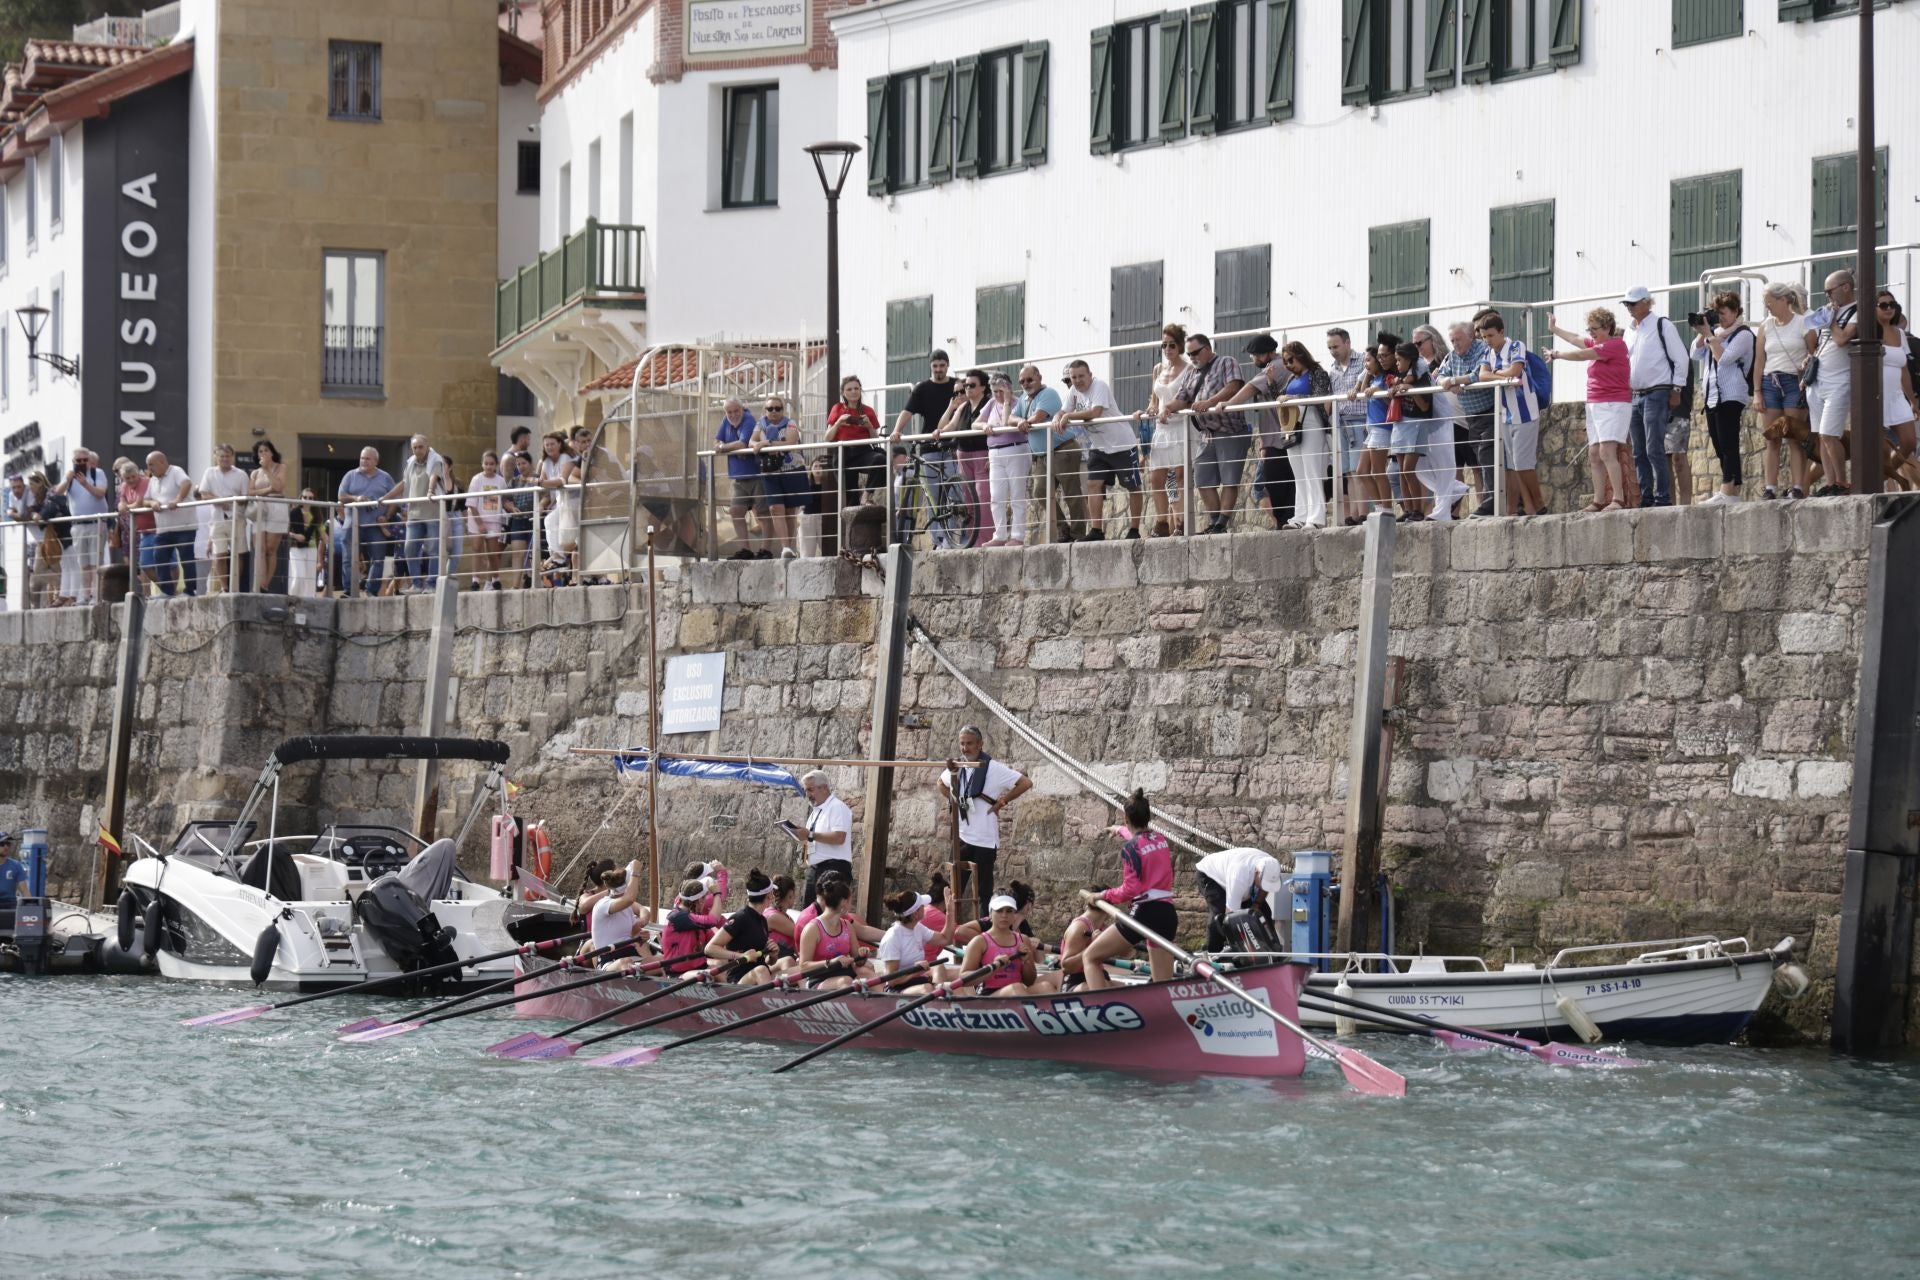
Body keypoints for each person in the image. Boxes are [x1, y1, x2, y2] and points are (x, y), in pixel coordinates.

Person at [1077, 789, 1177, 990]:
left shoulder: (1130, 849)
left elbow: (1130, 890)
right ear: (1149, 817)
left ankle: (1102, 1010)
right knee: (1162, 984)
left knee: (1090, 956)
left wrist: (1102, 895)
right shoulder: (1161, 839)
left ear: (1126, 817)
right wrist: (1119, 830)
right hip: (1167, 914)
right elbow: (1140, 839)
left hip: (1145, 913)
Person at [936, 726, 1030, 917]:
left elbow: (1025, 783)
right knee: (954, 889)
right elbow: (941, 783)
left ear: (980, 744)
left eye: (969, 743)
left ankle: (982, 932)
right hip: (962, 836)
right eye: (962, 743)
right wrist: (953, 800)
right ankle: (950, 929)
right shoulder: (958, 767)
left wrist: (1002, 802)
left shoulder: (993, 768)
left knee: (983, 892)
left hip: (985, 840)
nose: (965, 748)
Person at [1547, 308, 1633, 512]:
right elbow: (1576, 339)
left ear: (1607, 327)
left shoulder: (1615, 345)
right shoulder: (1598, 343)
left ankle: (1618, 499)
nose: (1591, 333)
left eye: (1595, 329)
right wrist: (1554, 329)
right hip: (1595, 403)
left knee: (1607, 451)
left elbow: (1582, 354)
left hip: (1614, 404)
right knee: (1594, 453)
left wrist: (1558, 355)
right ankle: (1599, 500)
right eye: (1590, 329)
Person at [1168, 333, 1248, 534]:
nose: (1192, 357)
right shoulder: (1190, 372)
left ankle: (1221, 523)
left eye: (1195, 352)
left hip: (1230, 430)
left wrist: (1209, 402)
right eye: (1189, 354)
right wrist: (1164, 408)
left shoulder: (1226, 362)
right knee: (1203, 481)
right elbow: (1181, 398)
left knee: (1230, 479)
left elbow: (1234, 387)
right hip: (1206, 433)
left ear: (1207, 348)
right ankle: (1215, 522)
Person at [1468, 312, 1545, 516]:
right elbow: (1483, 375)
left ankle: (1538, 504)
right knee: (1511, 465)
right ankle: (1524, 507)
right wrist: (1501, 373)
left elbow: (1515, 371)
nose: (1487, 340)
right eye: (1484, 337)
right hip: (1506, 414)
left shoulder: (1516, 346)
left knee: (1522, 463)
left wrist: (1498, 374)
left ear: (1501, 332)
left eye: (1491, 336)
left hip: (1525, 412)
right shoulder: (1488, 353)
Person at [1057, 360, 1138, 541]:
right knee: (1093, 485)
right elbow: (1062, 411)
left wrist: (1069, 415)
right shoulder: (1073, 391)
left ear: (1090, 375)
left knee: (1132, 486)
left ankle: (1134, 529)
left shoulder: (1100, 385)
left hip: (1121, 444)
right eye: (1073, 377)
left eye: (1081, 376)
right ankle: (1096, 530)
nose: (1077, 381)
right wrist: (1057, 417)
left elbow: (1095, 412)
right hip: (1099, 447)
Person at [1223, 334, 1296, 529]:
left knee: (1278, 486)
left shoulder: (1276, 367)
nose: (1253, 359)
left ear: (1265, 354)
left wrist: (1229, 404)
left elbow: (1250, 388)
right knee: (1279, 486)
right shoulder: (1276, 366)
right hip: (1275, 439)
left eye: (1254, 355)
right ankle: (1285, 523)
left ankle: (1284, 524)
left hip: (1281, 440)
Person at [1691, 290, 1755, 505]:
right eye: (1716, 314)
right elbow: (1695, 354)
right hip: (1712, 396)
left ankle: (1728, 490)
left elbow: (1724, 359)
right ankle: (1731, 491)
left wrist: (1710, 335)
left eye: (1724, 313)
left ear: (1736, 312)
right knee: (1719, 445)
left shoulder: (1743, 334)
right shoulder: (1716, 333)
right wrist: (1703, 331)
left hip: (1731, 395)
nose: (1721, 318)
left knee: (1728, 443)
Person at [1754, 282, 1813, 500]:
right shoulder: (1765, 326)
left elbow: (1813, 352)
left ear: (1783, 300)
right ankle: (1770, 487)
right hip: (1770, 381)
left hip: (1794, 382)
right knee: (1772, 438)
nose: (1767, 305)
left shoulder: (1802, 323)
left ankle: (1797, 486)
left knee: (1794, 437)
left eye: (1769, 301)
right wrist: (1757, 391)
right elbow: (1759, 361)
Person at [1011, 363, 1079, 543]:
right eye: (1022, 381)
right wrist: (1020, 421)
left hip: (1063, 449)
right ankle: (1063, 527)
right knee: (1040, 492)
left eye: (1030, 379)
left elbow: (1039, 416)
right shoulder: (1023, 399)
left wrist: (1025, 422)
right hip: (1042, 455)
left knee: (1071, 493)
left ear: (1039, 378)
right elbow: (1010, 418)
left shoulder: (1048, 393)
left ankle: (1079, 534)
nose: (1026, 384)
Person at [1433, 323, 1496, 516]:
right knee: (1479, 456)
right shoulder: (1452, 355)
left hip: (1490, 410)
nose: (1454, 344)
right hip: (1472, 416)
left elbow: (1478, 375)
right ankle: (1486, 504)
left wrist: (1453, 381)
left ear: (1470, 337)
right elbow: (1438, 375)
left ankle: (1490, 503)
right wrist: (1449, 382)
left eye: (1458, 339)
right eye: (1452, 340)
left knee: (1485, 458)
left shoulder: (1483, 350)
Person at [1808, 269, 1861, 495]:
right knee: (1821, 436)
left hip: (1839, 382)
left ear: (1846, 287)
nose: (1827, 295)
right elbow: (1823, 344)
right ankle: (1830, 483)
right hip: (1818, 381)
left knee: (1830, 435)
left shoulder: (1858, 311)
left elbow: (1841, 339)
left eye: (1829, 291)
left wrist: (1829, 322)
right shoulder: (1832, 311)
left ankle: (1842, 482)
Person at [379, 434, 453, 591]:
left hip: (433, 512)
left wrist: (430, 490)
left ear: (427, 446)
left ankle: (432, 584)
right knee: (410, 548)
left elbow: (434, 475)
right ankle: (417, 584)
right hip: (414, 513)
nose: (418, 450)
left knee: (434, 549)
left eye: (420, 447)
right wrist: (385, 497)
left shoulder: (436, 459)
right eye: (415, 447)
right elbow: (404, 483)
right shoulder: (410, 462)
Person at [1137, 324, 1192, 537]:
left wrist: (1171, 408)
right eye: (1164, 345)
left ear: (1179, 346)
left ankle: (1182, 522)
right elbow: (1154, 400)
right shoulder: (1158, 369)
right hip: (1161, 428)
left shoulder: (1188, 369)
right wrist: (1149, 410)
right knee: (1156, 477)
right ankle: (1161, 523)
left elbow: (1189, 397)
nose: (1168, 349)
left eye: (1172, 345)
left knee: (1180, 475)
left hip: (1180, 425)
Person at [934, 369, 993, 547]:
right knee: (968, 498)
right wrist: (940, 432)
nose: (967, 389)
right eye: (966, 385)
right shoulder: (963, 406)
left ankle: (985, 538)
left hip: (982, 453)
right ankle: (970, 538)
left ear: (983, 387)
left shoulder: (988, 404)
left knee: (983, 496)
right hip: (963, 453)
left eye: (972, 385)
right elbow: (951, 425)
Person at [1194, 848, 1286, 953]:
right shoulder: (1239, 877)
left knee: (1263, 912)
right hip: (1210, 875)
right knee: (1219, 915)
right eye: (1263, 882)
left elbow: (1264, 889)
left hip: (1239, 876)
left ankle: (1273, 950)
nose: (1264, 886)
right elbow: (1231, 915)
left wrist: (1256, 905)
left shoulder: (1271, 865)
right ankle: (1213, 953)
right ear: (1257, 872)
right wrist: (1243, 945)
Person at [52, 446, 110, 605]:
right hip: (78, 525)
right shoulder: (70, 476)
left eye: (86, 460)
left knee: (95, 562)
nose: (83, 463)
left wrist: (85, 483)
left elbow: (100, 494)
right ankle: (85, 595)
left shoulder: (97, 474)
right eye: (79, 461)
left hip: (96, 523)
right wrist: (68, 479)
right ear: (73, 462)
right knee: (83, 563)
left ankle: (97, 595)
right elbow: (57, 492)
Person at [875, 884, 959, 993]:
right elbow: (892, 980)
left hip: (916, 981)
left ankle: (943, 999)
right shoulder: (893, 937)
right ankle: (940, 1002)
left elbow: (945, 939)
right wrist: (914, 972)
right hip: (896, 989)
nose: (926, 907)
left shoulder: (918, 928)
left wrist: (950, 912)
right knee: (927, 988)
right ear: (915, 914)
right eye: (922, 906)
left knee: (939, 967)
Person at [1325, 328, 1371, 524]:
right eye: (1330, 348)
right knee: (1349, 472)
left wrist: (1358, 388)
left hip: (1359, 418)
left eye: (1335, 346)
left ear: (1347, 343)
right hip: (1340, 422)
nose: (1333, 351)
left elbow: (1370, 375)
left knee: (1359, 469)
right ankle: (1354, 514)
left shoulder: (1363, 361)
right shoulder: (1333, 369)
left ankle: (1364, 513)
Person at [334, 447, 395, 594]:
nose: (364, 461)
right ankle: (349, 590)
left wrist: (386, 517)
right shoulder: (350, 475)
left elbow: (395, 500)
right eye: (362, 458)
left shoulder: (385, 477)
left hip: (375, 525)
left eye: (367, 458)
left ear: (376, 461)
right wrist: (356, 498)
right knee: (349, 558)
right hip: (352, 524)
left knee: (378, 559)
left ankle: (371, 591)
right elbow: (340, 497)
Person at [712, 398, 766, 560]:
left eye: (736, 411)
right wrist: (722, 445)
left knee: (763, 513)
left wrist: (723, 448)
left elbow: (743, 444)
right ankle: (745, 549)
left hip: (756, 474)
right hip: (738, 476)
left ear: (742, 409)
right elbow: (717, 440)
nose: (733, 414)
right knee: (736, 511)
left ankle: (766, 549)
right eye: (729, 412)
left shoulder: (749, 419)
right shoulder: (725, 420)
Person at [750, 396, 803, 559]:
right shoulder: (760, 424)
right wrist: (758, 444)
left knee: (789, 510)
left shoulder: (791, 423)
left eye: (778, 408)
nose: (774, 411)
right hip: (770, 470)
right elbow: (751, 441)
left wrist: (765, 444)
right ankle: (785, 547)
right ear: (765, 411)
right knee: (775, 508)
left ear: (783, 410)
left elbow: (791, 442)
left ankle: (790, 546)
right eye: (770, 408)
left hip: (791, 468)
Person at [980, 372, 1030, 546]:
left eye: (1001, 391)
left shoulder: (1019, 402)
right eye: (995, 392)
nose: (998, 396)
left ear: (1009, 388)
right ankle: (1000, 535)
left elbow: (1006, 423)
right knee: (996, 496)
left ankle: (1017, 535)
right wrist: (984, 425)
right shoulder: (991, 403)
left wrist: (1007, 401)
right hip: (995, 453)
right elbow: (975, 422)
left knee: (1016, 494)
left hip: (1016, 450)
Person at [139, 450, 198, 596]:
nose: (149, 468)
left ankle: (190, 591)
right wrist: (152, 502)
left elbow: (186, 483)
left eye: (151, 464)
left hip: (184, 526)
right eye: (148, 465)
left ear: (162, 462)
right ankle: (167, 591)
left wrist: (177, 499)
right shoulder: (152, 480)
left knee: (186, 558)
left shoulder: (176, 471)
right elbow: (144, 500)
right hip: (164, 529)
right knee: (159, 557)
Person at [796, 878, 873, 989]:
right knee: (845, 982)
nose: (851, 904)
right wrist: (831, 962)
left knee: (870, 974)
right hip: (819, 979)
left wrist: (862, 955)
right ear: (844, 902)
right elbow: (803, 967)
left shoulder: (847, 926)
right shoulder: (812, 929)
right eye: (850, 900)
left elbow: (858, 961)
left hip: (846, 975)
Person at [956, 893, 1039, 996]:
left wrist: (1027, 961)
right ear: (990, 914)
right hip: (988, 995)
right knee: (1016, 988)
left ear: (1014, 916)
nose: (1004, 915)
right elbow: (964, 979)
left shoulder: (1024, 939)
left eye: (1009, 911)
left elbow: (1030, 982)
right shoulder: (979, 942)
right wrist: (993, 968)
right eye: (999, 910)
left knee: (1045, 987)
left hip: (1018, 992)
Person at [1387, 342, 1434, 521]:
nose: (1397, 364)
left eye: (1399, 360)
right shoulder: (1399, 377)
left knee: (1408, 469)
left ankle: (1418, 510)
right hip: (1401, 423)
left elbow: (1424, 407)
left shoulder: (1422, 378)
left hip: (1417, 423)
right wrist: (1391, 392)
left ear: (1409, 360)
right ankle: (1408, 509)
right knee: (1400, 470)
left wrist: (1412, 390)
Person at [705, 873, 778, 985]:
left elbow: (768, 962)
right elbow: (710, 949)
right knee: (761, 970)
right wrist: (741, 956)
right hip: (738, 980)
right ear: (769, 895)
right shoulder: (740, 918)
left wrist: (773, 956)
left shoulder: (762, 920)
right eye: (773, 892)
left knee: (790, 962)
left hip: (761, 974)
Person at [1877, 290, 1920, 479]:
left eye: (1892, 305)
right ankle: (1876, 479)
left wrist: (1912, 400)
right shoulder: (1870, 332)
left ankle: (1881, 476)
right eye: (1883, 305)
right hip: (1876, 396)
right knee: (1881, 446)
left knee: (1909, 441)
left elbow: (1904, 370)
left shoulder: (1900, 334)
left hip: (1896, 396)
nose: (1888, 308)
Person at [198, 444, 251, 593]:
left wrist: (232, 500)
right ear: (216, 457)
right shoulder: (209, 472)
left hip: (237, 517)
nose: (224, 459)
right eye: (221, 456)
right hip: (217, 518)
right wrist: (221, 501)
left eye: (227, 456)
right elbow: (204, 494)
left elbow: (245, 498)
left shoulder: (241, 474)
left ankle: (235, 585)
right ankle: (225, 587)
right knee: (219, 554)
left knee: (238, 553)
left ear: (232, 457)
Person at [796, 770, 855, 905]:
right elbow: (812, 839)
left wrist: (810, 834)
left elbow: (839, 837)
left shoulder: (837, 807)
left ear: (824, 788)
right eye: (806, 790)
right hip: (815, 868)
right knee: (810, 912)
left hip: (833, 868)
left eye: (810, 789)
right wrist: (802, 838)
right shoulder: (815, 812)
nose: (808, 795)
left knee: (829, 912)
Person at [827, 375, 886, 506]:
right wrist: (838, 422)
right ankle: (852, 523)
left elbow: (875, 439)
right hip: (843, 453)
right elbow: (828, 438)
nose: (853, 392)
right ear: (843, 392)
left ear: (860, 390)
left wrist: (869, 426)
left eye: (856, 388)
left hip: (863, 451)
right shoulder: (837, 408)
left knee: (881, 460)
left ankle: (866, 496)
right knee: (850, 498)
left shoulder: (868, 410)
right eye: (849, 389)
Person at [1353, 348, 1394, 522]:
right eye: (1365, 361)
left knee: (1378, 471)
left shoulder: (1385, 379)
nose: (1366, 364)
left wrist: (1378, 389)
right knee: (1361, 471)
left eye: (1369, 360)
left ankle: (1387, 509)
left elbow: (1390, 401)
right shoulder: (1373, 378)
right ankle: (1379, 506)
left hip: (1382, 427)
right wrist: (1367, 375)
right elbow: (1362, 391)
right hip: (1371, 428)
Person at [659, 876, 731, 976]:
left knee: (722, 962)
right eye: (704, 898)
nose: (705, 902)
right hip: (678, 974)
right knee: (716, 972)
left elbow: (716, 940)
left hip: (698, 968)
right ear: (699, 900)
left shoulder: (693, 916)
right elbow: (713, 920)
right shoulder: (677, 917)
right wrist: (717, 894)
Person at [589, 860, 652, 969]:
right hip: (608, 961)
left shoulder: (627, 907)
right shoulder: (603, 905)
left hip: (632, 957)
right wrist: (635, 872)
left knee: (663, 959)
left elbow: (635, 932)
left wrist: (642, 936)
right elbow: (630, 898)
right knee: (625, 963)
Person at [534, 431, 578, 578]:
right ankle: (558, 558)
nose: (550, 447)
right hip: (561, 503)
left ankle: (559, 559)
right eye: (547, 445)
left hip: (573, 502)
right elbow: (543, 484)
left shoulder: (566, 458)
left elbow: (562, 480)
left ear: (560, 444)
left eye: (552, 444)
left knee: (551, 521)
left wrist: (540, 482)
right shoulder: (546, 462)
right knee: (551, 522)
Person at [465, 451, 508, 589]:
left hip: (494, 520)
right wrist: (480, 524)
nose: (489, 466)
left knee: (493, 552)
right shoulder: (477, 479)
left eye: (491, 464)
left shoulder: (500, 481)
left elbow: (505, 500)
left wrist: (511, 507)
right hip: (477, 519)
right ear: (482, 464)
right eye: (486, 464)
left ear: (496, 465)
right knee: (477, 549)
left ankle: (495, 578)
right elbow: (471, 504)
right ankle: (475, 580)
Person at [249, 440, 289, 592]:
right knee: (260, 547)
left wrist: (266, 470)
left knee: (271, 549)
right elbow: (250, 492)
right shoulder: (254, 473)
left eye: (266, 450)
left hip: (277, 507)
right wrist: (267, 490)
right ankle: (260, 584)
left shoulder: (281, 467)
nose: (263, 453)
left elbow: (279, 487)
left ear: (272, 452)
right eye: (260, 451)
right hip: (259, 508)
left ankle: (265, 584)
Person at [287, 489, 324, 598]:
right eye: (305, 497)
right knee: (299, 576)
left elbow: (323, 535)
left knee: (310, 581)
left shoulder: (316, 515)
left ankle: (308, 603)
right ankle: (291, 599)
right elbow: (285, 530)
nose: (307, 500)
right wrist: (294, 535)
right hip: (296, 548)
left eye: (310, 498)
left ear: (314, 500)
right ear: (301, 498)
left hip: (311, 549)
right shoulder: (294, 512)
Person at [0, 832, 26, 916]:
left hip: (10, 904)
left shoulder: (15, 865)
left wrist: (32, 906)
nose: (6, 847)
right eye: (2, 844)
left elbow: (24, 890)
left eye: (8, 844)